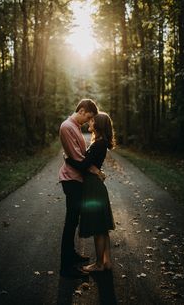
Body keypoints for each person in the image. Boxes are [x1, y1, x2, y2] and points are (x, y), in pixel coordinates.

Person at [65, 112, 115, 272]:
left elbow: (83, 165)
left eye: (92, 121)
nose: (89, 122)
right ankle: (106, 262)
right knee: (102, 227)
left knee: (98, 228)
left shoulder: (99, 144)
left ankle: (99, 264)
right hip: (95, 185)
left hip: (94, 187)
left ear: (98, 125)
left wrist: (68, 158)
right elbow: (89, 164)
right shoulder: (100, 143)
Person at [59, 98, 103, 278]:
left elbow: (80, 155)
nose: (88, 121)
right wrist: (95, 170)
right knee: (70, 222)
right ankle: (66, 268)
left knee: (74, 220)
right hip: (71, 180)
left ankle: (72, 255)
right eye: (89, 116)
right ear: (83, 110)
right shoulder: (67, 127)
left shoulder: (75, 126)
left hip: (77, 179)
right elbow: (78, 160)